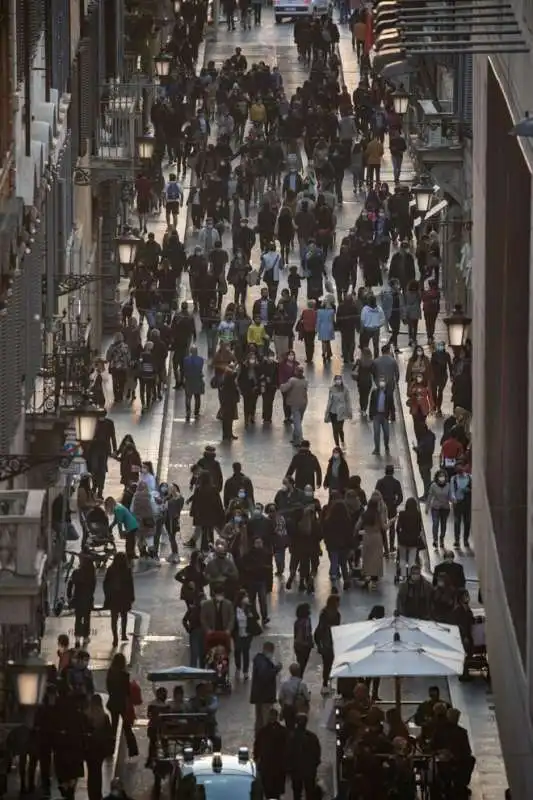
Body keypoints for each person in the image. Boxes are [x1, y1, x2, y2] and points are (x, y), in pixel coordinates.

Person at [106, 652, 138, 757]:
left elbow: (108, 688)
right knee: (127, 726)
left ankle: (110, 749)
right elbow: (127, 692)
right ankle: (133, 750)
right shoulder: (125, 675)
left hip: (112, 702)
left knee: (113, 727)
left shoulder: (110, 673)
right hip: (122, 703)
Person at [253, 708, 288, 800]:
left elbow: (257, 746)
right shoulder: (265, 731)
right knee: (271, 789)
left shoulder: (265, 731)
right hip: (271, 765)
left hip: (274, 765)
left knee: (272, 789)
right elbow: (257, 746)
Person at [84, 694, 114, 800]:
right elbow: (109, 734)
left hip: (88, 749)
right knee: (97, 772)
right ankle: (97, 794)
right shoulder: (104, 716)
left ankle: (91, 794)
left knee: (91, 772)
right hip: (100, 749)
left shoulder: (86, 716)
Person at [286, 714, 321, 800]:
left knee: (297, 793)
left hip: (297, 769)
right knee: (309, 792)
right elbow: (317, 753)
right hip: (307, 770)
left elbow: (288, 753)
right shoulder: (312, 736)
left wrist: (288, 767)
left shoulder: (292, 737)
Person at [103, 552, 135, 647]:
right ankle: (123, 634)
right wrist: (132, 596)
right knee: (124, 616)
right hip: (123, 597)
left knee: (114, 618)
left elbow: (105, 584)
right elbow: (130, 585)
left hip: (114, 597)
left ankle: (115, 638)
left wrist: (107, 595)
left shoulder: (111, 569)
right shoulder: (127, 570)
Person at [250, 641, 282, 732]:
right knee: (265, 719)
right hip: (265, 696)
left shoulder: (260, 660)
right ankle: (264, 738)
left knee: (259, 719)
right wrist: (276, 669)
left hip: (259, 695)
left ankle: (259, 738)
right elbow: (265, 675)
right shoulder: (262, 661)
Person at [66, 554, 96, 648]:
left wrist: (69, 596)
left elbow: (70, 584)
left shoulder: (76, 572)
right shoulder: (91, 575)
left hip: (77, 599)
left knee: (78, 619)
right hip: (87, 599)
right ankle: (86, 637)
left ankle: (77, 638)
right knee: (87, 619)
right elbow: (93, 588)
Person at [314, 594, 341, 694]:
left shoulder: (324, 613)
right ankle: (327, 683)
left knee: (327, 664)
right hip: (330, 642)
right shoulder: (336, 615)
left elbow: (320, 629)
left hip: (326, 643)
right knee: (329, 664)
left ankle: (325, 684)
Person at [233, 590, 261, 680]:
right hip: (238, 634)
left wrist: (251, 615)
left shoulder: (249, 608)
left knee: (246, 652)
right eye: (245, 597)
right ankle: (238, 667)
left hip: (247, 634)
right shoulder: (235, 609)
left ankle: (245, 671)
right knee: (237, 651)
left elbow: (257, 617)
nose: (246, 598)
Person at [375, 464, 403, 551]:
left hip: (382, 506)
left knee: (382, 527)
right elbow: (400, 497)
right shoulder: (396, 482)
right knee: (392, 527)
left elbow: (376, 494)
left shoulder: (380, 482)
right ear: (393, 472)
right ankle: (391, 546)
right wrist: (395, 504)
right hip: (392, 506)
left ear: (385, 471)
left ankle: (385, 547)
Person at [280, 365, 309, 447]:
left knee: (297, 423)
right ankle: (295, 438)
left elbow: (284, 388)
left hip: (295, 404)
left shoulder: (292, 380)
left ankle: (300, 440)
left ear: (295, 372)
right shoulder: (305, 381)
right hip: (303, 404)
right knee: (298, 421)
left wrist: (281, 385)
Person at [396, 498, 424, 578]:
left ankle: (403, 576)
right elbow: (419, 528)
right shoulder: (418, 514)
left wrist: (399, 535)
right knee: (412, 560)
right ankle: (409, 576)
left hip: (403, 539)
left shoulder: (402, 514)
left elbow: (398, 528)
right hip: (413, 540)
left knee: (402, 559)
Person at [278, 663, 310, 731]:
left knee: (288, 728)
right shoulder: (302, 684)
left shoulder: (285, 684)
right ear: (299, 672)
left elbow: (280, 698)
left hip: (287, 709)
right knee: (299, 729)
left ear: (290, 671)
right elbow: (308, 698)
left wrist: (282, 708)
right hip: (298, 710)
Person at [426, 469, 451, 549]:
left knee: (443, 525)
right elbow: (430, 496)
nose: (441, 478)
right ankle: (435, 540)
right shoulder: (433, 485)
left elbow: (450, 496)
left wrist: (453, 499)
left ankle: (442, 539)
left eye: (443, 476)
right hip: (435, 508)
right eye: (440, 476)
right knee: (435, 524)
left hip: (445, 508)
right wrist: (427, 507)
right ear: (437, 477)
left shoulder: (448, 485)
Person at [324, 375, 352, 447]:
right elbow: (329, 401)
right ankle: (337, 445)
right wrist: (327, 412)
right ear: (334, 381)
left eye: (339, 379)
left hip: (342, 412)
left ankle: (342, 441)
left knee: (340, 429)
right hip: (333, 412)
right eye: (337, 380)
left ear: (341, 380)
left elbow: (348, 401)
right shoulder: (331, 389)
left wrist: (349, 412)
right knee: (335, 430)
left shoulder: (345, 390)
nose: (338, 381)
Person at [369, 377, 394, 456]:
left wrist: (392, 416)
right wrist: (371, 415)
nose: (381, 383)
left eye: (383, 381)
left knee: (386, 433)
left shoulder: (389, 393)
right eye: (380, 381)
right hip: (376, 415)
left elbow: (391, 406)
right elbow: (371, 403)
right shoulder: (375, 392)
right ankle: (377, 449)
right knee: (376, 433)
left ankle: (386, 445)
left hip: (385, 416)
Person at [451, 461, 472, 548]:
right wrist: (454, 498)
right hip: (458, 503)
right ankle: (457, 540)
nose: (459, 469)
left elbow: (474, 488)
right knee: (457, 522)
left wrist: (468, 490)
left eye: (460, 467)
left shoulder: (470, 478)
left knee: (467, 522)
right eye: (457, 468)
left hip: (467, 502)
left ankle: (465, 540)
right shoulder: (454, 479)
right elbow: (452, 490)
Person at [183, 345, 205, 421]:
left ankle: (188, 412)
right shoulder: (201, 360)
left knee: (188, 397)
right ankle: (196, 412)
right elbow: (200, 369)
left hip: (189, 380)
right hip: (197, 379)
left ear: (190, 352)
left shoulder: (186, 360)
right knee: (197, 397)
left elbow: (184, 369)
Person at [293, 603, 314, 677]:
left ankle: (298, 678)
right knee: (302, 665)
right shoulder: (302, 622)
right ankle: (298, 679)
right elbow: (299, 637)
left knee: (302, 664)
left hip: (302, 645)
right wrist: (307, 643)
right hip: (302, 646)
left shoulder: (303, 621)